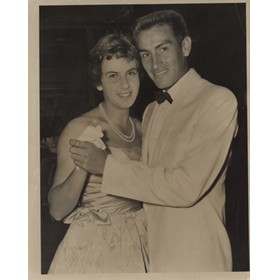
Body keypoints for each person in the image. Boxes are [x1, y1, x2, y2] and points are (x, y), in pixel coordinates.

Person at [70, 10, 238, 272]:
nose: (154, 62)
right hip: (150, 258)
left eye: (162, 48)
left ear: (185, 46)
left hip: (198, 258)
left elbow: (185, 186)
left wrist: (108, 166)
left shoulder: (217, 100)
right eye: (146, 54)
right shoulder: (151, 111)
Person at [47, 33, 148, 273]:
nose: (125, 85)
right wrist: (83, 167)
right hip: (97, 246)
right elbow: (57, 210)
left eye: (131, 73)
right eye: (113, 76)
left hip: (142, 238)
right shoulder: (80, 127)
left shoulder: (144, 127)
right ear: (99, 82)